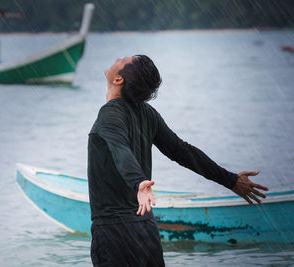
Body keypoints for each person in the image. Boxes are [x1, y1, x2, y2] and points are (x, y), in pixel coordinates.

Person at [87, 55, 269, 267]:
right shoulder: (147, 113)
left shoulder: (110, 113)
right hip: (146, 231)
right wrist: (231, 180)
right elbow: (183, 152)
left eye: (123, 59)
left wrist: (139, 182)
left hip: (115, 233)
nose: (118, 58)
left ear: (118, 80)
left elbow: (121, 149)